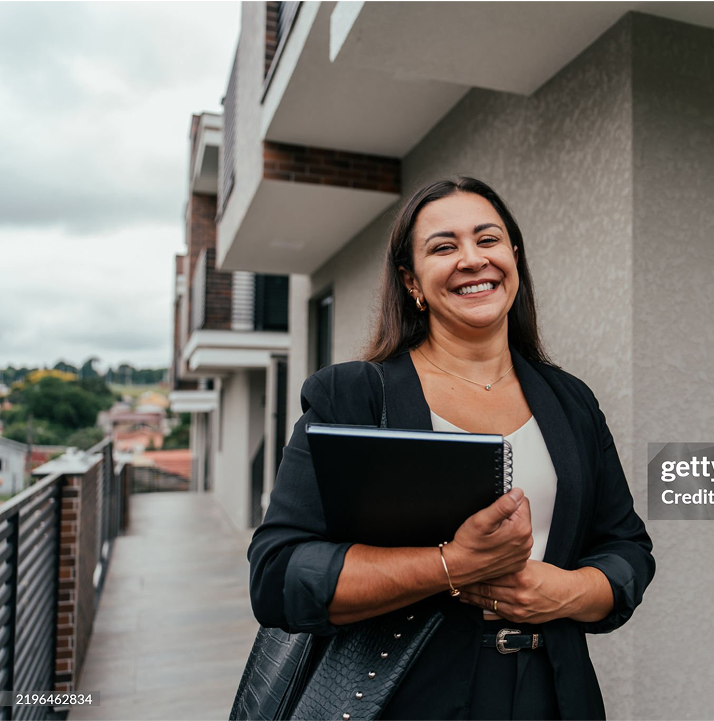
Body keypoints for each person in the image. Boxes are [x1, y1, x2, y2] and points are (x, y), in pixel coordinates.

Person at [247, 177, 655, 721]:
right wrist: (451, 565)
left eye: (488, 240)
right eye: (444, 247)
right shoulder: (354, 396)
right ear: (412, 281)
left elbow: (627, 549)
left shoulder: (572, 401)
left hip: (555, 693)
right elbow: (278, 575)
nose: (472, 259)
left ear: (514, 257)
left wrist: (568, 592)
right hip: (409, 696)